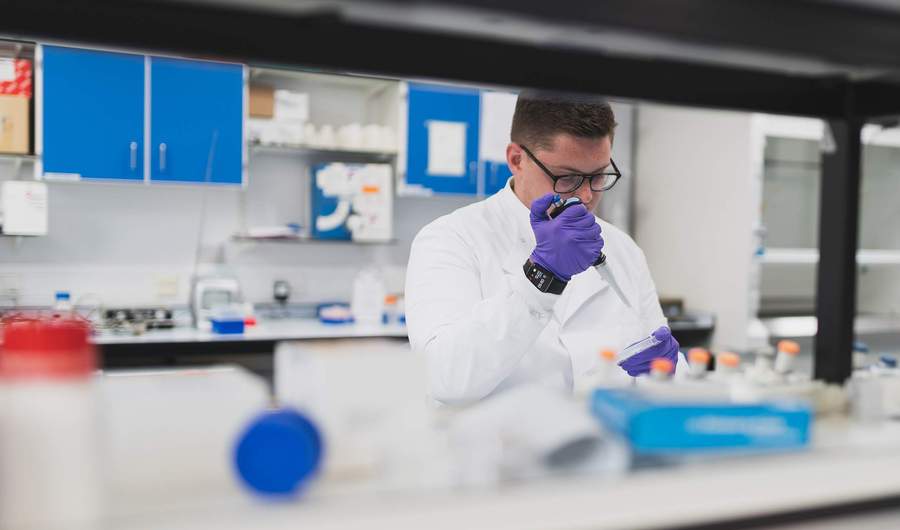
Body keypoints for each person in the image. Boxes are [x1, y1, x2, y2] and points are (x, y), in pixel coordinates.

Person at [405, 91, 680, 405]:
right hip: (493, 451)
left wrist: (669, 374)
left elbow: (654, 360)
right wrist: (542, 277)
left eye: (599, 175)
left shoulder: (623, 249)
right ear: (516, 160)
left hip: (602, 445)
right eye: (568, 178)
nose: (588, 196)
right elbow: (444, 378)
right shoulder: (450, 238)